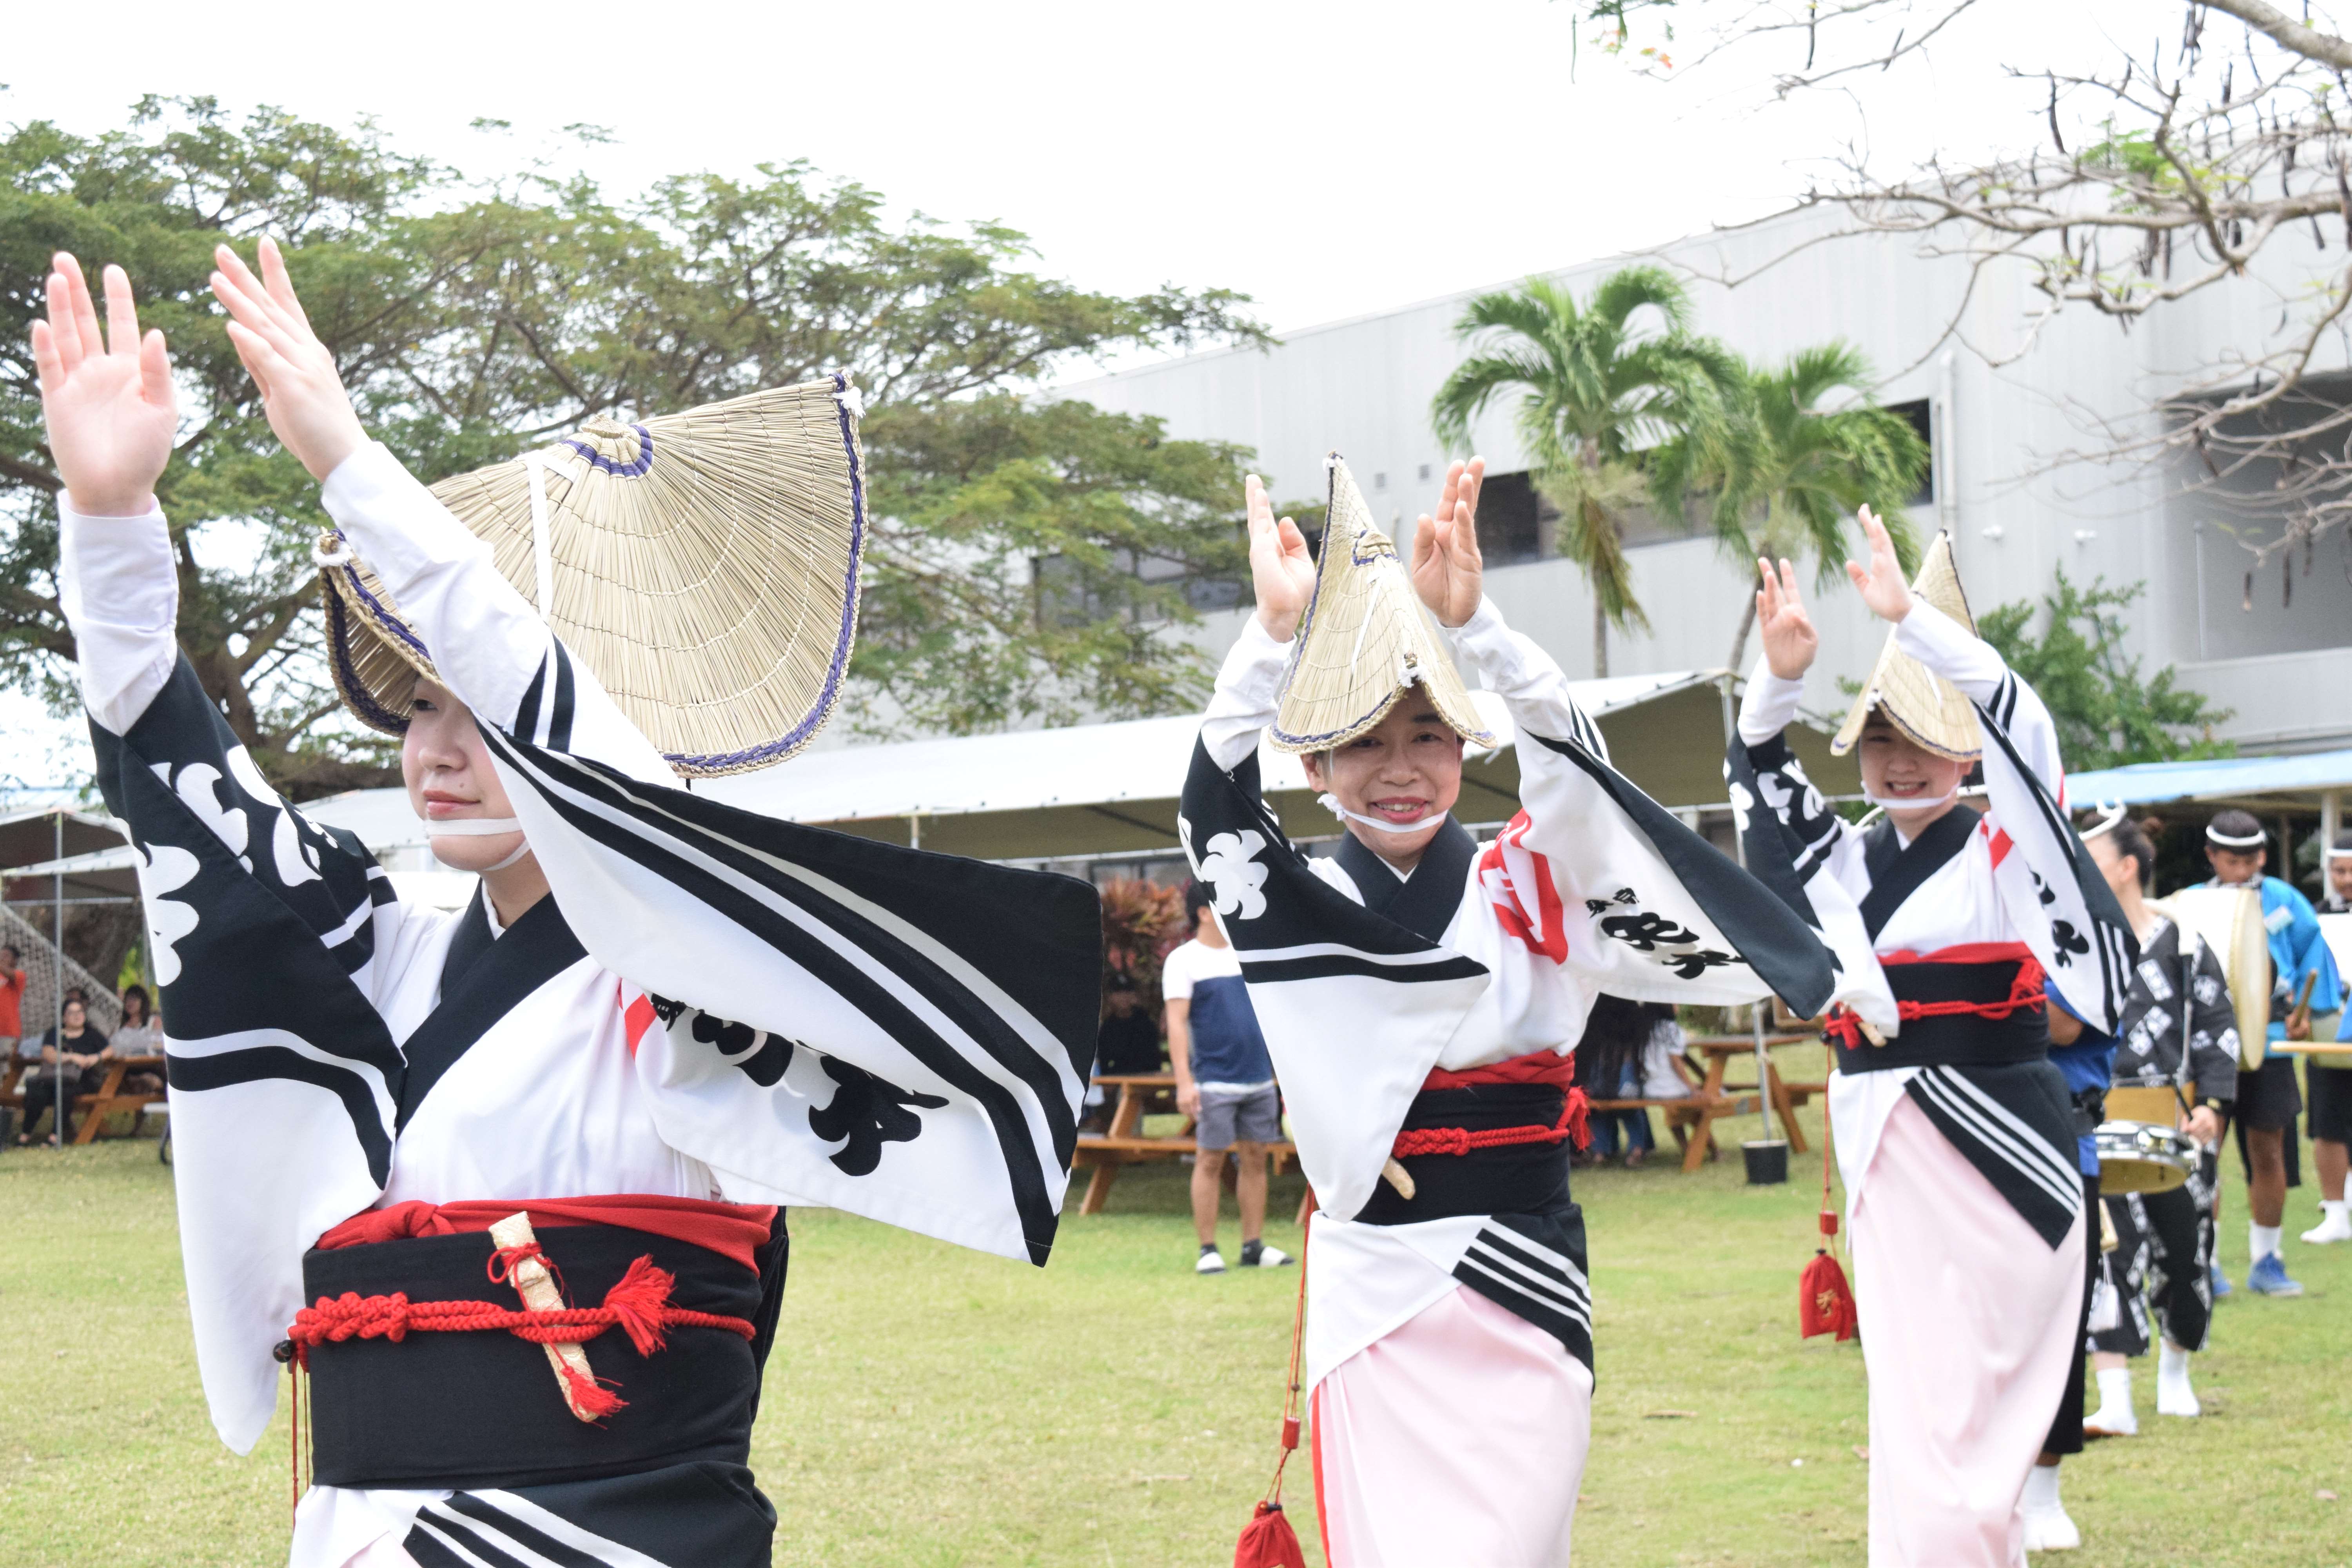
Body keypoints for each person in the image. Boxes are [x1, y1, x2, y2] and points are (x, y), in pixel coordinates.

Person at [35, 244, 1101, 1568]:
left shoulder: (700, 965)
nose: (438, 747)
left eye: (483, 713)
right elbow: (184, 791)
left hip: (610, 1534)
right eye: (419, 707)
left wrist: (351, 467)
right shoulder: (386, 957)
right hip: (367, 1528)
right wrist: (114, 524)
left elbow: (596, 764)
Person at [1183, 456, 1860, 1566]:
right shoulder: (1296, 906)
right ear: (1314, 766)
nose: (1399, 770)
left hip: (1521, 1262)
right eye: (1365, 744)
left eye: (1427, 738)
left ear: (1466, 748)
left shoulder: (1535, 876)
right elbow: (1212, 804)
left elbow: (1580, 776)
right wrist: (1268, 637)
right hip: (1376, 1284)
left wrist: (1483, 627)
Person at [1735, 519, 2133, 1567]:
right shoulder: (1846, 863)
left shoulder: (2007, 839)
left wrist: (1918, 626)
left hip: (2003, 1138)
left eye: (1923, 741)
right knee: (1909, 1396)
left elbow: (2027, 733)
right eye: (1879, 741)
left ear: (1967, 748)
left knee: (1986, 1392)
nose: (1900, 764)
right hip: (1884, 1141)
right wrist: (1777, 687)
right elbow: (1761, 787)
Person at [2070, 811, 2238, 1434]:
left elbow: (2219, 1031)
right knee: (2108, 1256)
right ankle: (2115, 1396)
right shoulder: (2076, 948)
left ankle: (2176, 1372)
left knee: (2187, 1256)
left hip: (2178, 1123)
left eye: (2091, 857)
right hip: (2099, 1120)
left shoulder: (2186, 946)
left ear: (2127, 866)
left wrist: (2212, 1107)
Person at [2198, 809, 2343, 1294]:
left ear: (2262, 856)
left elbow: (2310, 955)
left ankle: (2268, 1259)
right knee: (2204, 1151)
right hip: (2210, 1044)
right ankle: (2207, 1260)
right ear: (2211, 856)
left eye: (2250, 859)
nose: (2241, 869)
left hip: (2272, 1040)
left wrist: (2308, 1012)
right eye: (2230, 859)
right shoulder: (2195, 904)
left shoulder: (2283, 900)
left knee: (2269, 1149)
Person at [1163, 881, 1291, 1273]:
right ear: (1204, 913)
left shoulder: (1249, 953)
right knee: (1210, 1161)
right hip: (1213, 1082)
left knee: (1256, 1159)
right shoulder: (1183, 961)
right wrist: (1185, 1083)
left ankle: (1253, 1246)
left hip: (1259, 1080)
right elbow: (1177, 1024)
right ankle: (1208, 1250)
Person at [2306, 835, 2352, 1245]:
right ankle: (2336, 1210)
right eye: (2340, 871)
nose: (2347, 879)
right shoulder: (2314, 917)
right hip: (2329, 1029)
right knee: (2329, 1121)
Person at [1573, 995, 1664, 1167]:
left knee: (1600, 1109)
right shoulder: (1634, 1021)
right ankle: (1637, 1149)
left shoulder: (1594, 1023)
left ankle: (1600, 1152)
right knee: (1632, 1110)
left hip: (1600, 1081)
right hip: (1625, 1079)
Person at [19, 996, 109, 1145]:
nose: (77, 1016)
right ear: (64, 1017)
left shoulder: (92, 1034)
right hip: (53, 1078)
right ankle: (25, 1134)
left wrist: (95, 1057)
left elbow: (109, 1050)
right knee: (38, 1091)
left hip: (83, 1080)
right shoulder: (55, 1033)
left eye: (80, 1012)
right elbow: (49, 1054)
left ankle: (55, 1135)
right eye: (71, 1013)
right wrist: (72, 1057)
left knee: (65, 1092)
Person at [0, 944, 24, 1065]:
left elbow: (9, 974)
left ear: (15, 960)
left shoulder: (19, 975)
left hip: (8, 1032)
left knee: (5, 1069)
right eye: (1, 955)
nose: (2, 958)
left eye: (6, 956)